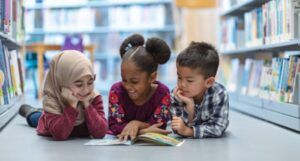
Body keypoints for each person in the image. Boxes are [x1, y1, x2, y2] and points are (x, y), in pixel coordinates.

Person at [19, 50, 108, 140]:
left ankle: (42, 112)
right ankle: (30, 111)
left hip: (62, 117)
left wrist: (87, 104)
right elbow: (59, 134)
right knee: (36, 118)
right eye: (79, 85)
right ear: (62, 81)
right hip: (50, 123)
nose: (86, 90)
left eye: (90, 82)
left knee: (44, 114)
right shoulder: (52, 98)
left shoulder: (93, 96)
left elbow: (100, 133)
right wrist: (72, 105)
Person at [108, 34, 172, 141]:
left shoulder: (163, 93)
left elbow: (159, 126)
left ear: (152, 77)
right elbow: (115, 127)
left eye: (134, 81)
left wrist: (136, 124)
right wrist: (144, 131)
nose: (128, 86)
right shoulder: (116, 91)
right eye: (124, 80)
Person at [171, 42, 229, 138]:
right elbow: (177, 128)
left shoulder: (219, 93)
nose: (182, 84)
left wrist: (189, 131)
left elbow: (218, 127)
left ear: (209, 82)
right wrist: (190, 108)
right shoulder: (176, 94)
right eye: (179, 77)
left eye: (189, 80)